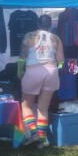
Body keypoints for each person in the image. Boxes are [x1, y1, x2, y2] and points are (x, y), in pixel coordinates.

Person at [19, 14, 65, 147]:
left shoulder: (29, 36)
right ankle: (42, 140)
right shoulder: (56, 38)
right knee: (43, 108)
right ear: (50, 24)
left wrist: (20, 70)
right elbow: (61, 60)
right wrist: (58, 69)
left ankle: (33, 134)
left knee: (26, 105)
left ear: (37, 24)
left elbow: (22, 56)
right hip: (51, 71)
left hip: (33, 71)